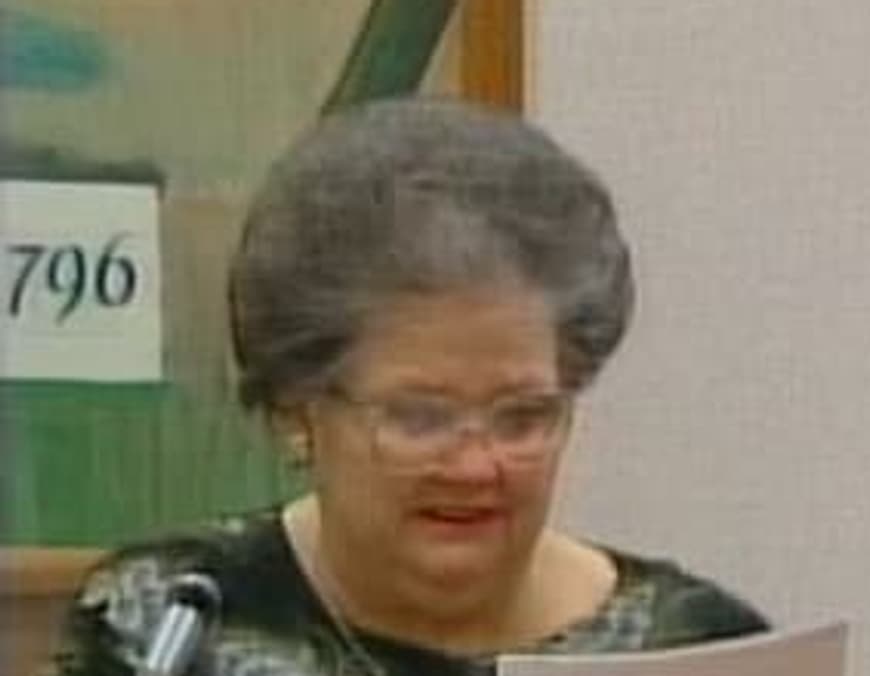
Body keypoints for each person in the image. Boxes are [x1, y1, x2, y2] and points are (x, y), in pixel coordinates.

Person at [51, 99, 768, 675]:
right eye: (421, 417)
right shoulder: (169, 622)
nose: (475, 465)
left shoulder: (693, 648)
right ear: (296, 411)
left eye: (522, 418)